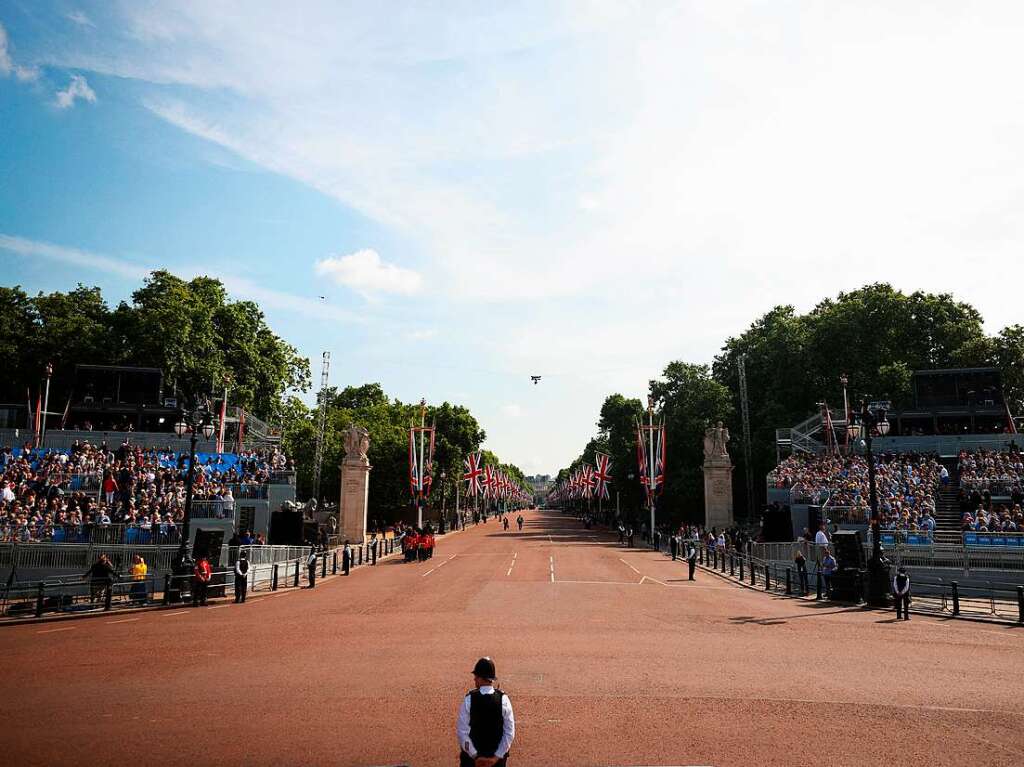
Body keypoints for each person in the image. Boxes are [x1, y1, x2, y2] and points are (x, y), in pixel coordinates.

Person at [456, 657, 515, 767]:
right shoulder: (504, 700)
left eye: (476, 676)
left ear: (480, 678)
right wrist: (496, 757)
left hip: (472, 762)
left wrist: (475, 756)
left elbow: (462, 732)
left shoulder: (469, 699)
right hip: (497, 762)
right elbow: (509, 733)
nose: (474, 679)